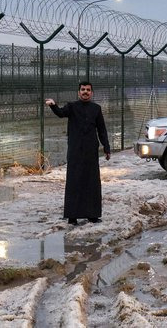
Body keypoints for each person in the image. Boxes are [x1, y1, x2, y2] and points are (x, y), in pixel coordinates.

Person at [45, 82, 111, 225]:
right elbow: (61, 113)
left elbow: (102, 129)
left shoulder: (96, 109)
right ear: (78, 92)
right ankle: (72, 216)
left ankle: (92, 214)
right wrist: (53, 105)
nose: (85, 92)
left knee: (92, 182)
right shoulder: (72, 107)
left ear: (91, 93)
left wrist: (106, 147)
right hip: (75, 150)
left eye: (88, 90)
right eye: (83, 90)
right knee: (74, 182)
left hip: (91, 151)